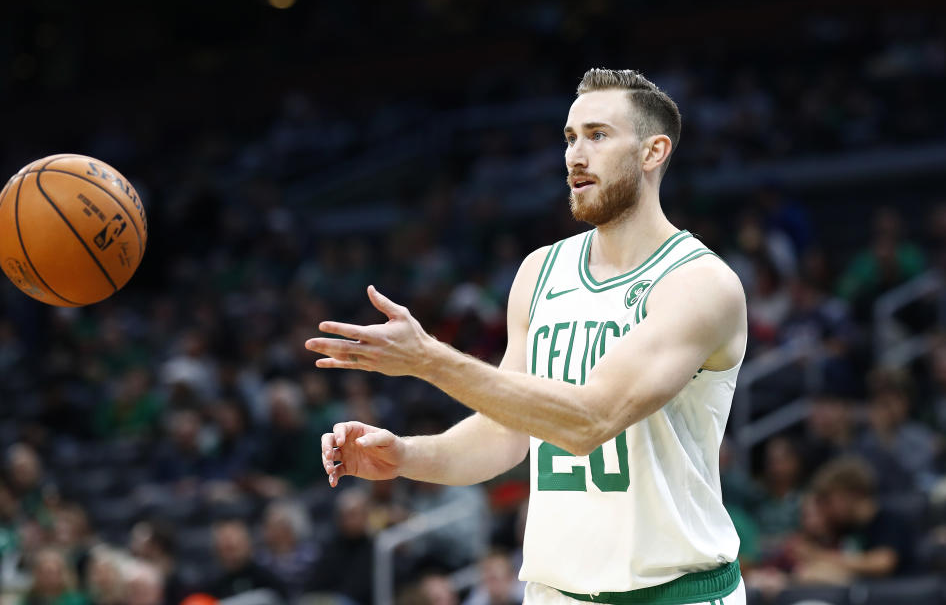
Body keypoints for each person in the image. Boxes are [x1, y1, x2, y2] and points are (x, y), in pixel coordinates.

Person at [306, 68, 748, 605]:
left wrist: (428, 360)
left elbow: (590, 419)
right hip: (553, 593)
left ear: (654, 152)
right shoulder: (541, 272)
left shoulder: (700, 284)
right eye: (569, 137)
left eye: (598, 135)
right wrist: (405, 456)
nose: (575, 156)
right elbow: (506, 432)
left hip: (673, 594)